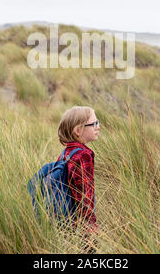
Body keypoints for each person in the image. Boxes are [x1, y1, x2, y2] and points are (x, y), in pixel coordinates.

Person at [57, 106, 99, 252]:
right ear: (78, 130)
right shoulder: (83, 155)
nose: (98, 127)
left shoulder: (66, 153)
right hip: (82, 226)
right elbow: (84, 196)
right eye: (93, 124)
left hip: (65, 221)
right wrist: (91, 227)